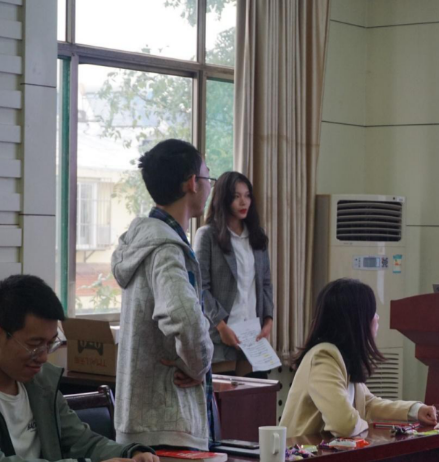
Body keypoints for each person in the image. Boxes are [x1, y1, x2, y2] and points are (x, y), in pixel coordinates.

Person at [111, 139, 215, 450]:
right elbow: (185, 317)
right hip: (168, 425)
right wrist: (198, 365)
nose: (209, 186)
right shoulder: (166, 247)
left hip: (140, 423)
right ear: (192, 183)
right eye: (208, 177)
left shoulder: (142, 240)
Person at [0, 274, 158, 462]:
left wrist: (130, 453)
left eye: (50, 344)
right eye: (34, 345)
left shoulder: (42, 384)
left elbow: (81, 441)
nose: (43, 357)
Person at [280, 278, 438, 438]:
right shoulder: (324, 357)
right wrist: (366, 425)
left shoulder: (343, 355)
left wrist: (415, 410)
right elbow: (344, 425)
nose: (377, 318)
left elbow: (367, 404)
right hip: (304, 450)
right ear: (357, 320)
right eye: (372, 313)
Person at [194, 172, 274, 377]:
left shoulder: (257, 236)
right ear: (223, 199)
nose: (243, 202)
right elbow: (201, 288)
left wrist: (268, 320)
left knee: (256, 394)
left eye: (247, 196)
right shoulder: (207, 235)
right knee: (225, 396)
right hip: (221, 337)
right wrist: (221, 327)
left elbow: (265, 283)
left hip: (253, 337)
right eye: (236, 196)